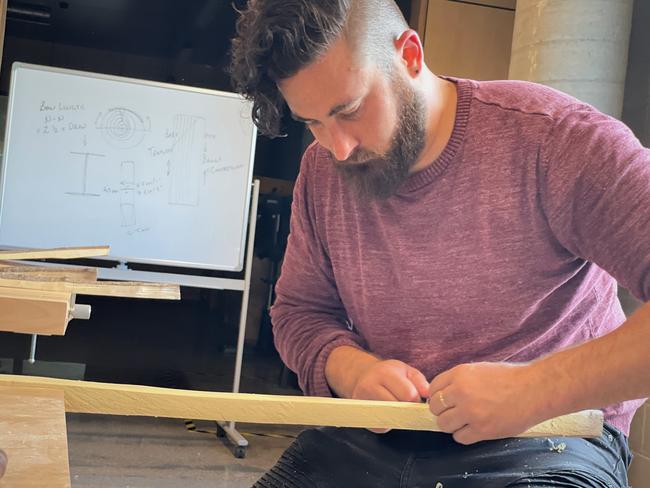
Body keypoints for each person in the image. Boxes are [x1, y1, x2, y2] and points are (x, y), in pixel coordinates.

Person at [229, 0, 650, 486]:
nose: (338, 148)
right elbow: (299, 312)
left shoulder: (553, 140)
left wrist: (535, 389)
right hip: (379, 435)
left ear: (409, 55)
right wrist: (352, 371)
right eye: (314, 123)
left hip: (550, 435)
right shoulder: (322, 173)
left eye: (349, 110)